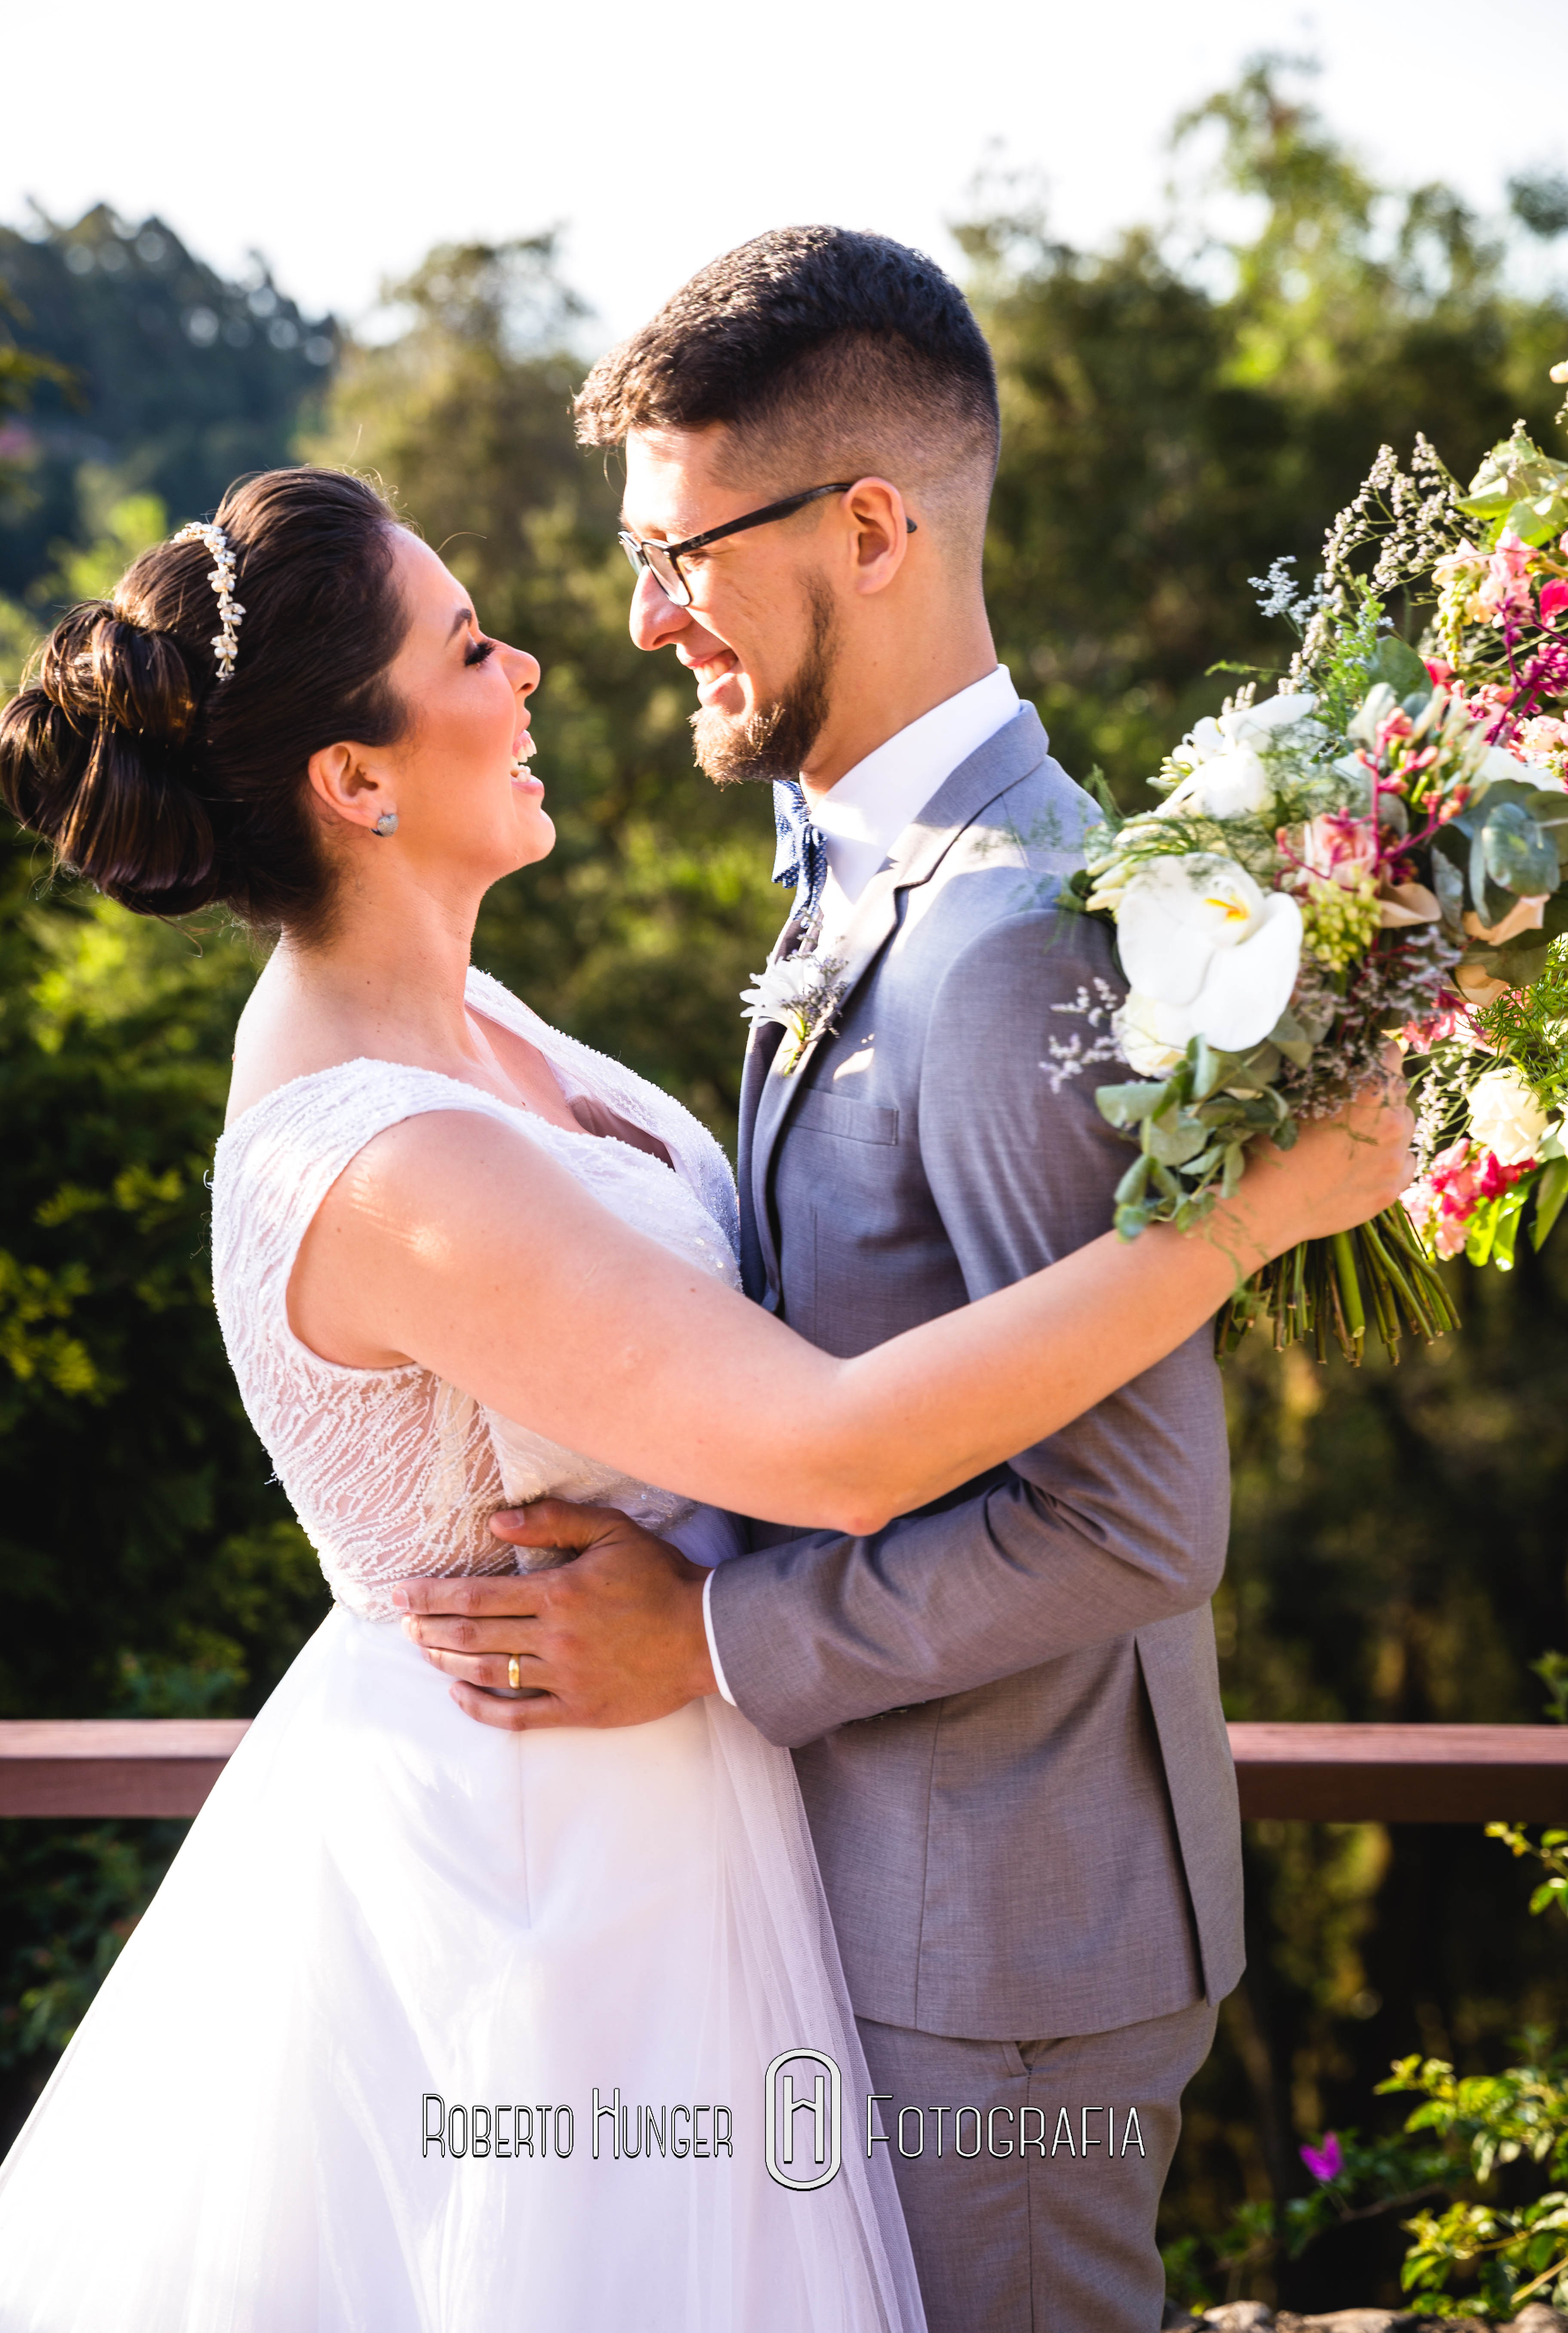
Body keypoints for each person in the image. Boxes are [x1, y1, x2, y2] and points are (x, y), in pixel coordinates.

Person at [0, 464, 1407, 2333]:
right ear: (357, 779)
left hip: (680, 1819)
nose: (531, 676)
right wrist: (1247, 1220)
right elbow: (831, 1453)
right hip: (537, 1897)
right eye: (471, 646)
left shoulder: (475, 1020)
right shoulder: (383, 1158)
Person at [395, 226, 1377, 2333]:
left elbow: (1132, 1514)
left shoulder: (1020, 933)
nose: (647, 619)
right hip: (872, 1909)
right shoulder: (866, 854)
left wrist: (718, 1647)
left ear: (870, 525)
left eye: (685, 555)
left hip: (1001, 1958)